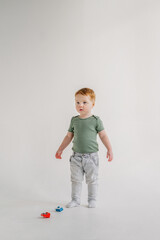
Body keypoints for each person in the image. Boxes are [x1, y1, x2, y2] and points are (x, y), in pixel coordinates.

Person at [55, 88, 113, 208]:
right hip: (76, 156)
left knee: (92, 180)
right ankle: (75, 200)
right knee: (75, 180)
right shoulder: (74, 120)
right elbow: (68, 136)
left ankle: (92, 199)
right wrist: (61, 148)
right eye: (77, 102)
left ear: (93, 104)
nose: (80, 105)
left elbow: (103, 135)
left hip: (91, 157)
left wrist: (109, 149)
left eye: (84, 102)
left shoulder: (96, 120)